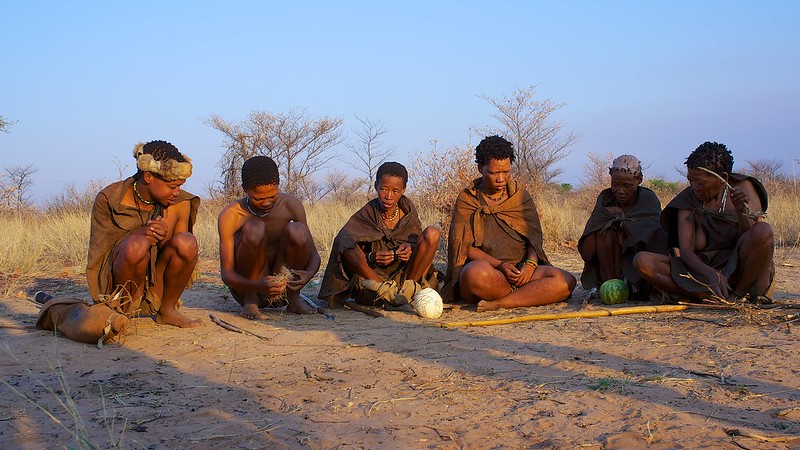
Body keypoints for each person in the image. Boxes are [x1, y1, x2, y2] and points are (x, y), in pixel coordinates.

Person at [442, 135, 576, 311]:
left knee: (566, 281)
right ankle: (526, 295)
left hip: (523, 271)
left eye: (506, 172)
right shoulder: (468, 199)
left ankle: (501, 302)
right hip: (491, 272)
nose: (501, 179)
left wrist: (530, 265)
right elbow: (463, 247)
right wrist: (501, 266)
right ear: (480, 168)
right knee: (474, 274)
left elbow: (533, 238)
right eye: (494, 173)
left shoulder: (519, 196)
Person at [633, 141, 774, 302]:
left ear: (723, 178)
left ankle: (737, 295)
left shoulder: (745, 188)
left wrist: (741, 211)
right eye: (690, 180)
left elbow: (754, 241)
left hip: (742, 272)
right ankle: (709, 294)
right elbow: (686, 252)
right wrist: (711, 275)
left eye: (699, 181)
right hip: (701, 273)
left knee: (763, 230)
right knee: (643, 261)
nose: (694, 187)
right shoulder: (688, 199)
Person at [87, 140, 202, 328]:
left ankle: (167, 310)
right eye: (171, 186)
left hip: (156, 286)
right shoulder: (110, 199)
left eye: (180, 186)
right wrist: (141, 234)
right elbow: (99, 257)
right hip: (118, 286)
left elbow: (178, 255)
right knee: (136, 246)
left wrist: (162, 236)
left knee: (187, 242)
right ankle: (121, 313)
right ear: (148, 177)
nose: (177, 192)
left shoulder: (181, 202)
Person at [318, 162, 440, 308]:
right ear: (376, 186)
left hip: (404, 277)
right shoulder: (367, 213)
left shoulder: (408, 212)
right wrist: (371, 256)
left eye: (395, 191)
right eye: (384, 189)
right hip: (374, 281)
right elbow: (345, 242)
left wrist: (409, 249)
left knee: (432, 233)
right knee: (344, 243)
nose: (389, 196)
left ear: (404, 190)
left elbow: (417, 243)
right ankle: (387, 293)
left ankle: (408, 291)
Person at [217, 156, 321, 319]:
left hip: (283, 289)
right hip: (248, 289)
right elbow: (227, 274)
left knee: (298, 230)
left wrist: (308, 275)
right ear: (245, 189)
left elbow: (314, 255)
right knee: (254, 228)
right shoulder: (231, 215)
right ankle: (251, 302)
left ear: (279, 185)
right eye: (258, 198)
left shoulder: (290, 205)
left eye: (272, 196)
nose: (266, 203)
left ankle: (293, 299)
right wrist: (257, 285)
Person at [578, 155, 667, 299]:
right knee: (604, 233)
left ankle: (634, 287)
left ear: (639, 180)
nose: (620, 191)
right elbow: (588, 252)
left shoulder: (648, 199)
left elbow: (653, 236)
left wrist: (623, 224)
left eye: (627, 186)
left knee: (618, 233)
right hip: (610, 267)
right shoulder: (606, 199)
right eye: (615, 184)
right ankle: (611, 286)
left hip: (638, 263)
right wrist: (604, 217)